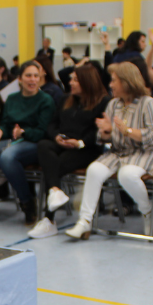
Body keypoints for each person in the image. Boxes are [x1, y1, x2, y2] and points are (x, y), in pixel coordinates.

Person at [64, 61, 153, 240]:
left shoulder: (148, 103)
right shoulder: (113, 104)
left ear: (126, 82)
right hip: (119, 152)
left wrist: (127, 131)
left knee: (127, 175)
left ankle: (147, 212)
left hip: (145, 152)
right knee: (94, 170)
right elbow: (106, 138)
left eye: (114, 80)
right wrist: (106, 132)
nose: (110, 85)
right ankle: (84, 221)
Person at [30, 64, 111, 238]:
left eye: (75, 80)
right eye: (71, 79)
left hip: (87, 148)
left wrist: (80, 143)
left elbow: (98, 132)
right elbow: (52, 123)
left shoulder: (103, 102)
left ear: (87, 82)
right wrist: (56, 136)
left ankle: (49, 218)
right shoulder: (66, 99)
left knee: (55, 166)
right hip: (63, 142)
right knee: (44, 145)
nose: (70, 83)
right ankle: (55, 192)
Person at [0, 60, 55, 224]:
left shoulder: (46, 100)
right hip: (13, 141)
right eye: (28, 76)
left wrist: (23, 132)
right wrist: (0, 130)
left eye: (36, 76)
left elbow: (43, 132)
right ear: (20, 79)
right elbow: (6, 125)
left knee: (7, 157)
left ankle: (27, 202)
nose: (32, 79)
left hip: (35, 142)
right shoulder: (12, 99)